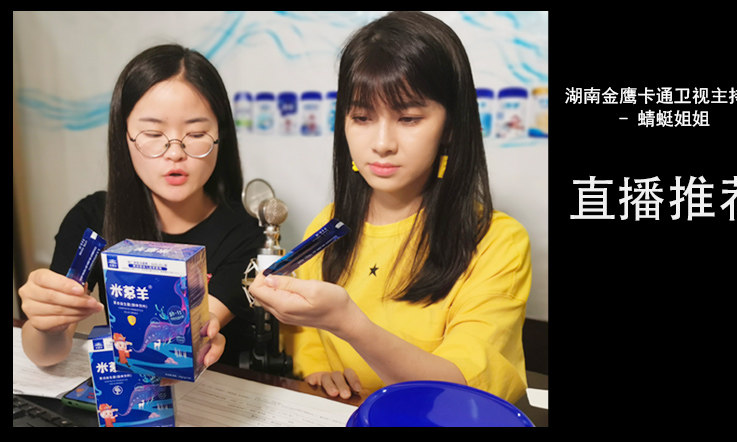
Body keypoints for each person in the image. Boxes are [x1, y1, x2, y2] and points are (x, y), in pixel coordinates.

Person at [249, 11, 532, 403]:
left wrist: (349, 324)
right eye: (362, 117)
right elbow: (307, 334)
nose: (382, 143)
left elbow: (460, 392)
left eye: (409, 118)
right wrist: (317, 371)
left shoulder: (497, 242)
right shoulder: (329, 225)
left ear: (450, 126)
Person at [19, 44, 264, 371]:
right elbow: (46, 354)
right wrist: (45, 322)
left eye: (196, 133)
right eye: (153, 133)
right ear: (125, 137)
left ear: (221, 137)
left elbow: (198, 334)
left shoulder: (246, 236)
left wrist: (202, 336)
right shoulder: (93, 219)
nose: (175, 152)